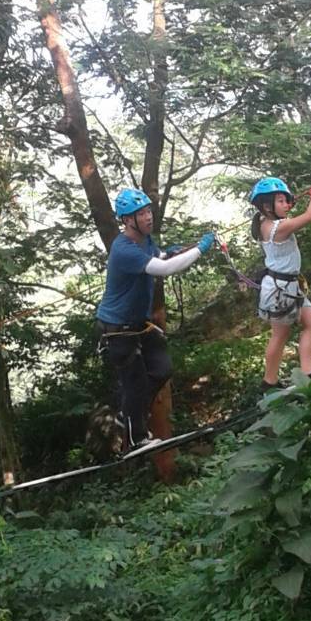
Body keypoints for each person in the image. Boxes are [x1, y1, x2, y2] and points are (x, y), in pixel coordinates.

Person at [96, 187, 214, 455]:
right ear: (127, 220)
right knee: (134, 382)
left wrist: (169, 252)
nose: (149, 217)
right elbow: (163, 269)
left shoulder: (145, 240)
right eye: (142, 213)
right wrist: (200, 250)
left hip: (138, 324)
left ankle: (128, 412)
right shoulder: (123, 248)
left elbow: (158, 258)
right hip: (117, 329)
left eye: (149, 211)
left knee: (161, 369)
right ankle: (135, 437)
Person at [250, 176, 311, 389]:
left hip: (289, 287)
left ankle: (308, 372)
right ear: (266, 206)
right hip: (280, 290)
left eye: (286, 201)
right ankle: (269, 381)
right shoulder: (277, 228)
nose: (286, 205)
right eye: (280, 201)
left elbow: (286, 214)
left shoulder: (265, 222)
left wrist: (286, 204)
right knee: (280, 335)